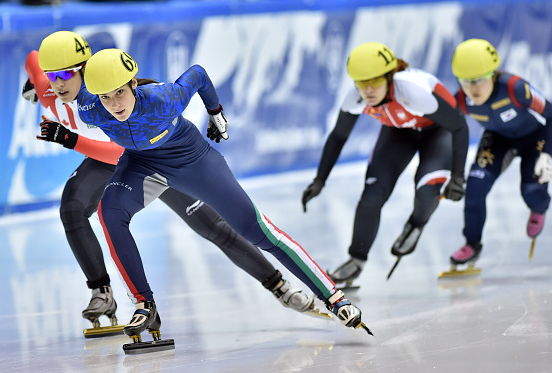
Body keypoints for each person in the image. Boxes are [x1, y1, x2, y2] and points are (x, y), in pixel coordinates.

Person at [22, 31, 325, 334]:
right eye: (52, 76)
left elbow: (120, 149)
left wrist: (70, 138)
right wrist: (35, 84)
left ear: (87, 68)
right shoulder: (50, 85)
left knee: (212, 227)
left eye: (65, 74)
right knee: (72, 208)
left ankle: (279, 285)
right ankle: (102, 292)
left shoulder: (103, 91)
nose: (58, 82)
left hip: (144, 153)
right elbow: (33, 60)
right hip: (116, 160)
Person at [78, 48, 371, 345]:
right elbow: (66, 87)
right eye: (105, 97)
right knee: (109, 213)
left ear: (133, 84)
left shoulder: (163, 99)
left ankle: (334, 297)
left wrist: (215, 112)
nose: (114, 104)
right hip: (142, 165)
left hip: (192, 161)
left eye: (119, 93)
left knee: (258, 232)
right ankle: (145, 304)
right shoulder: (90, 108)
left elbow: (199, 74)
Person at [302, 42, 469, 285]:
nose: (368, 90)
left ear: (390, 77)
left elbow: (459, 126)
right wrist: (320, 180)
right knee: (371, 196)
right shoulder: (355, 98)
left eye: (375, 82)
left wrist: (458, 176)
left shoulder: (413, 92)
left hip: (438, 132)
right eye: (361, 83)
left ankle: (416, 224)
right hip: (399, 133)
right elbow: (338, 137)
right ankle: (356, 260)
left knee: (426, 192)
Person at [447, 38, 552, 270]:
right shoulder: (460, 100)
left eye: (479, 80)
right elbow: (449, 132)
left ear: (493, 74)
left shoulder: (515, 88)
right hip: (497, 140)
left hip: (533, 139)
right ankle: (472, 243)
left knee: (532, 192)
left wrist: (546, 154)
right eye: (465, 82)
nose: (472, 89)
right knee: (475, 189)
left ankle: (539, 208)